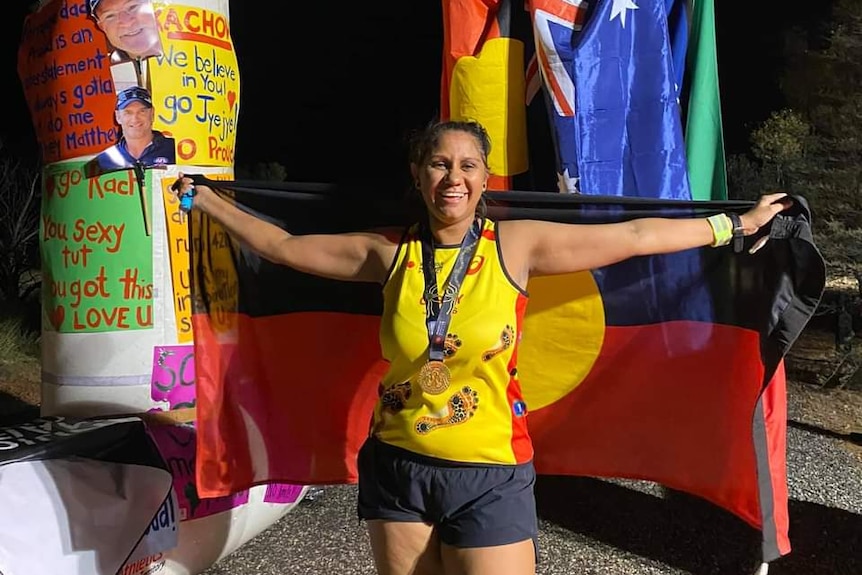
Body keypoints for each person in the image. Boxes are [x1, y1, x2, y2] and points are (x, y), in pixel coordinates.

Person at [171, 120, 791, 575]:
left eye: (468, 166)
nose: (453, 178)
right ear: (418, 176)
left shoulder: (514, 246)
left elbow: (631, 236)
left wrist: (732, 225)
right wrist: (203, 200)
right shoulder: (388, 254)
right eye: (439, 164)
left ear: (483, 178)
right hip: (397, 470)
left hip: (490, 475)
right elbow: (280, 248)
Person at [87, 86, 175, 176]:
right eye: (128, 112)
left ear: (152, 113)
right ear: (118, 117)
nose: (135, 119)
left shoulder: (176, 151)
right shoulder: (103, 161)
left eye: (142, 111)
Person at [87, 0, 163, 64]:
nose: (126, 22)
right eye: (110, 16)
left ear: (157, 7)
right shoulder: (102, 78)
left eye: (132, 7)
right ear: (102, 27)